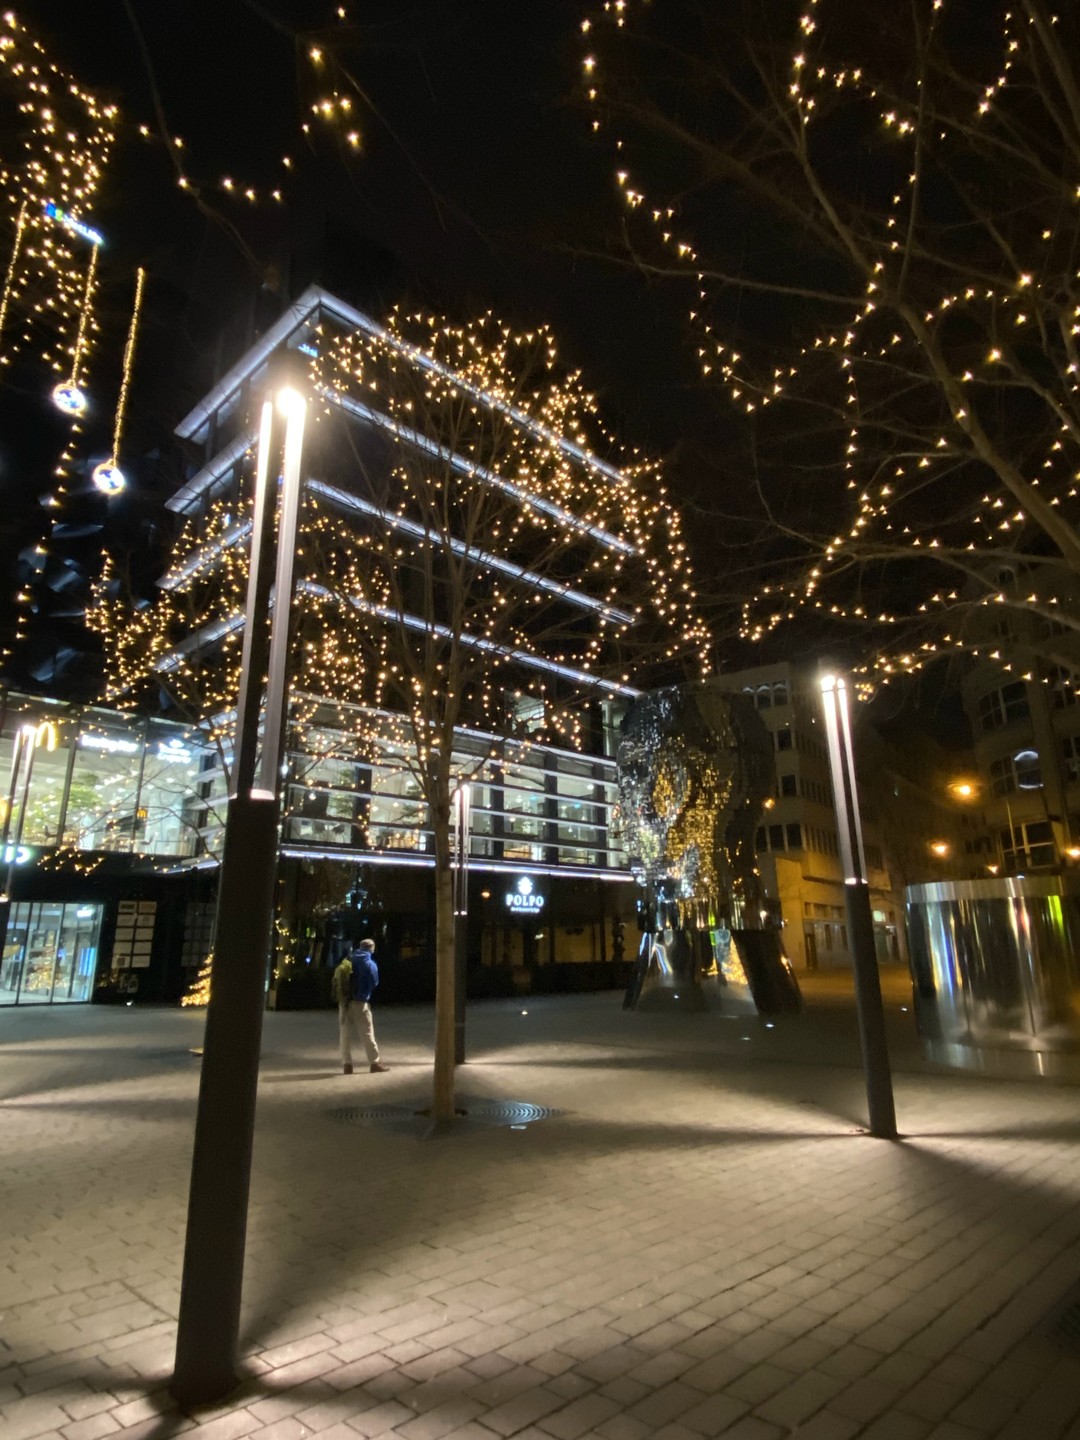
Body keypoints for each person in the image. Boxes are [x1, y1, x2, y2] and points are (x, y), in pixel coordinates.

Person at [331, 939, 390, 1075]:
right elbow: (374, 983)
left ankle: (347, 1065)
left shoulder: (348, 959)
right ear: (371, 949)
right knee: (367, 1033)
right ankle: (374, 1063)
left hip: (344, 1002)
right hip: (360, 1003)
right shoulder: (370, 964)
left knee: (345, 1034)